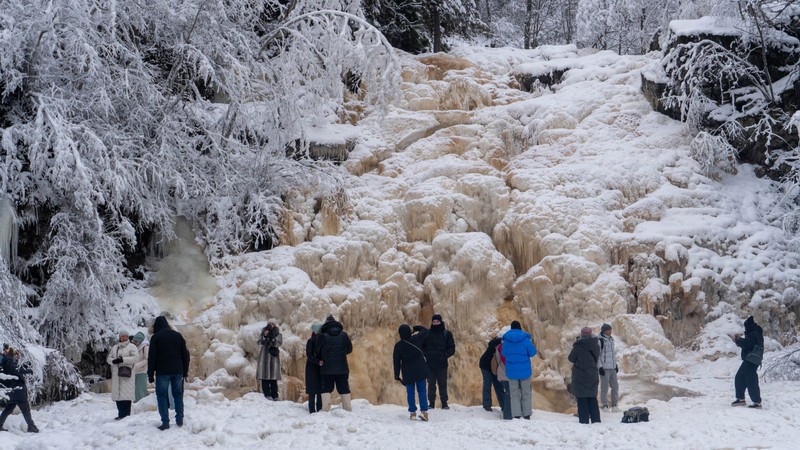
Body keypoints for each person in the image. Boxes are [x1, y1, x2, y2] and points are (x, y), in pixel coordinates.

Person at [148, 315, 190, 430]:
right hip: (178, 371)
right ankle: (180, 418)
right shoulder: (177, 335)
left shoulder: (156, 338)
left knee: (162, 396)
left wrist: (150, 374)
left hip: (162, 372)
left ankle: (165, 422)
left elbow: (152, 357)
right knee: (178, 394)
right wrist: (185, 371)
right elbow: (185, 355)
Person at [315, 315, 353, 412]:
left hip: (326, 368)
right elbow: (349, 349)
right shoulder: (344, 335)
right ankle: (347, 408)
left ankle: (326, 409)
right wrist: (341, 354)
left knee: (326, 388)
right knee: (344, 388)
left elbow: (317, 351)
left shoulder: (321, 336)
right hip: (342, 368)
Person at [500, 320, 537, 419]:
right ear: (520, 328)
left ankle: (516, 414)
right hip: (525, 371)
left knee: (514, 394)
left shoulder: (506, 341)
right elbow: (533, 352)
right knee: (526, 393)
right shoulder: (525, 340)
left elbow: (503, 353)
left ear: (511, 328)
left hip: (512, 372)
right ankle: (526, 414)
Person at [393, 324, 430, 421]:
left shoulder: (398, 346)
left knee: (410, 393)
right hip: (420, 370)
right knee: (422, 391)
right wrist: (415, 328)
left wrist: (396, 374)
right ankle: (424, 412)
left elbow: (396, 361)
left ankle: (412, 413)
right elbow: (425, 330)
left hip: (408, 372)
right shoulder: (416, 338)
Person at [0, 346, 39, 433]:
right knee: (25, 408)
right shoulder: (9, 361)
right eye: (16, 354)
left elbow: (15, 368)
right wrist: (29, 371)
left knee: (9, 408)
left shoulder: (7, 361)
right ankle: (31, 426)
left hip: (12, 389)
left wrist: (25, 366)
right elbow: (16, 370)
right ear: (12, 353)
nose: (18, 356)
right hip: (17, 389)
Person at [422, 313, 455, 409]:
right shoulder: (427, 334)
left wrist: (445, 356)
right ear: (432, 322)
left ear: (441, 322)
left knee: (442, 384)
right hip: (430, 364)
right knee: (431, 384)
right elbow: (422, 346)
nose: (436, 323)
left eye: (437, 322)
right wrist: (427, 355)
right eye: (434, 322)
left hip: (442, 364)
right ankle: (431, 403)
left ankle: (444, 403)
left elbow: (452, 348)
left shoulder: (446, 334)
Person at [569, 327, 601, 424]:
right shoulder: (596, 345)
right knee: (592, 398)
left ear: (582, 334)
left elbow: (571, 358)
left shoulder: (579, 346)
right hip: (592, 374)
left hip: (581, 375)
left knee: (582, 398)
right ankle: (596, 420)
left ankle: (584, 421)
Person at [732, 315, 764, 408]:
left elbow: (748, 344)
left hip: (751, 359)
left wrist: (738, 340)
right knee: (740, 377)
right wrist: (740, 341)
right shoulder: (756, 332)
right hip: (751, 359)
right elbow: (750, 343)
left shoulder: (754, 333)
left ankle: (756, 402)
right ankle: (741, 398)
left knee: (751, 380)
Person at [107, 330, 139, 420]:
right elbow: (109, 359)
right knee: (118, 395)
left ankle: (126, 415)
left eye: (126, 336)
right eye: (123, 336)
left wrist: (123, 360)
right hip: (116, 375)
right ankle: (120, 414)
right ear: (120, 337)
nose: (124, 338)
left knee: (126, 395)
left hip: (126, 374)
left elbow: (136, 358)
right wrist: (113, 361)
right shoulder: (115, 347)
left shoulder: (132, 346)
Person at [479, 329, 504, 412]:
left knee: (499, 385)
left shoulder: (500, 344)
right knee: (488, 383)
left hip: (494, 367)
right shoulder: (496, 343)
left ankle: (504, 405)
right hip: (485, 365)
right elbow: (492, 344)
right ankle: (487, 405)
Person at [257, 322, 283, 401]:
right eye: (269, 325)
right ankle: (267, 394)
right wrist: (265, 336)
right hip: (264, 357)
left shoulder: (278, 334)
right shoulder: (263, 333)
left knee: (273, 378)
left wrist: (271, 339)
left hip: (273, 357)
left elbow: (278, 343)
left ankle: (275, 395)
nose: (271, 326)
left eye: (272, 324)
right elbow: (259, 342)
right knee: (264, 377)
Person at [597, 323, 619, 412]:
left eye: (610, 329)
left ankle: (614, 405)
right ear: (604, 331)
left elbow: (613, 354)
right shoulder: (600, 341)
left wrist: (615, 365)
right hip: (604, 368)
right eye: (608, 330)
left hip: (612, 368)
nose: (610, 331)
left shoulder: (611, 340)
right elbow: (598, 355)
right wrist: (600, 367)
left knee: (615, 387)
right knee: (604, 387)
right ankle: (604, 405)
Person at [493, 326, 512, 420]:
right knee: (509, 393)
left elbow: (498, 360)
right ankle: (508, 415)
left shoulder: (498, 347)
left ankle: (508, 411)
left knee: (508, 393)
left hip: (502, 374)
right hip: (507, 374)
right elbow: (506, 361)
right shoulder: (503, 348)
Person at [305, 322, 324, 413]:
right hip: (312, 368)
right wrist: (318, 361)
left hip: (319, 367)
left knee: (319, 389)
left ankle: (319, 408)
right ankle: (312, 409)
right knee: (312, 390)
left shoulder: (320, 341)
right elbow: (309, 355)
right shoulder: (311, 341)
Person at [131, 332, 150, 403]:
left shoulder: (145, 347)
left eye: (136, 341)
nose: (135, 343)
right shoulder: (135, 347)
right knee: (136, 390)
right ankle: (139, 403)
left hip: (142, 371)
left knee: (140, 390)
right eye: (134, 341)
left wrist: (136, 365)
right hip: (134, 371)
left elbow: (146, 360)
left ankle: (142, 404)